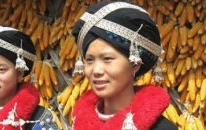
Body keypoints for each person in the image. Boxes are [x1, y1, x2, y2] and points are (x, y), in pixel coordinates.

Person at [71, 2, 178, 130]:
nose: (96, 70)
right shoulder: (78, 121)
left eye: (107, 59)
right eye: (89, 60)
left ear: (135, 64)